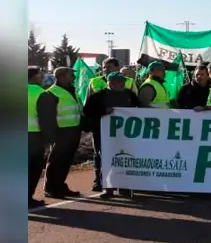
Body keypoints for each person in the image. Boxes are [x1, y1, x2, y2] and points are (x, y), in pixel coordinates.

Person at [82, 72, 138, 198]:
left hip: (125, 135)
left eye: (123, 82)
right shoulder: (98, 96)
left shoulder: (130, 95)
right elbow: (87, 112)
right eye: (119, 82)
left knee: (125, 158)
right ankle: (107, 187)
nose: (123, 84)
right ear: (111, 83)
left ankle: (124, 187)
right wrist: (103, 111)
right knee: (104, 158)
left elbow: (139, 109)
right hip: (102, 133)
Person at [37, 67, 83, 199]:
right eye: (71, 74)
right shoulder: (52, 93)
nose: (73, 77)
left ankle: (60, 185)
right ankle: (51, 188)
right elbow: (48, 116)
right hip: (61, 131)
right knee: (56, 160)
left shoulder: (72, 90)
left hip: (73, 129)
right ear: (62, 76)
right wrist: (51, 133)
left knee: (66, 160)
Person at [28, 66, 48, 208]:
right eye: (40, 75)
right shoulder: (41, 93)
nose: (43, 77)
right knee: (33, 168)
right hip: (34, 136)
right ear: (33, 76)